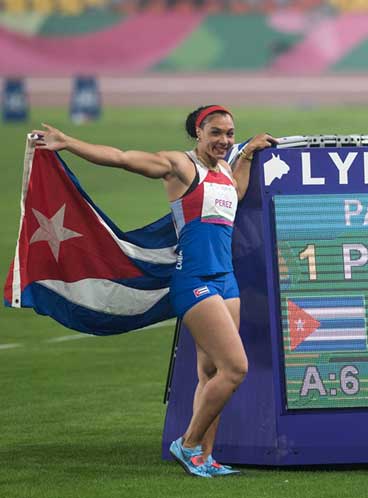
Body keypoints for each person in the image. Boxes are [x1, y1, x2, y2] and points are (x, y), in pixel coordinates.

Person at [32, 105, 277, 478]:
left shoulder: (226, 169)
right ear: (198, 133)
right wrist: (69, 143)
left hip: (227, 282)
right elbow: (123, 158)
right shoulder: (181, 167)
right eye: (216, 133)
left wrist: (245, 153)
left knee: (211, 373)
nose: (223, 141)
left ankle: (204, 458)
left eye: (229, 133)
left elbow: (237, 194)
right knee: (235, 368)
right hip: (194, 281)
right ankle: (189, 443)